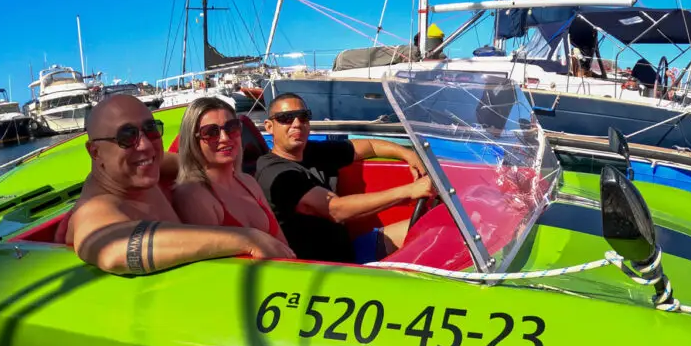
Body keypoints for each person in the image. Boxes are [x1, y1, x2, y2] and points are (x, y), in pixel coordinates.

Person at [66, 94, 292, 275]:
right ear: (95, 152)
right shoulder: (95, 207)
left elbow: (191, 161)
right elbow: (112, 250)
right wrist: (246, 238)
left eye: (151, 129)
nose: (145, 145)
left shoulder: (139, 168)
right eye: (126, 136)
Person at [255, 93, 434, 262]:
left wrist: (409, 155)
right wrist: (409, 191)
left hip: (349, 251)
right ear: (269, 126)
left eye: (303, 117)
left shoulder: (313, 152)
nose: (296, 124)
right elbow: (336, 210)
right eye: (286, 118)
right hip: (323, 269)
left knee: (433, 229)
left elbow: (371, 146)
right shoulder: (276, 173)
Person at [172, 97, 291, 248]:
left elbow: (283, 245)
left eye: (232, 127)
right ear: (193, 140)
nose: (225, 138)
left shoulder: (248, 182)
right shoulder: (193, 195)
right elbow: (217, 264)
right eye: (210, 132)